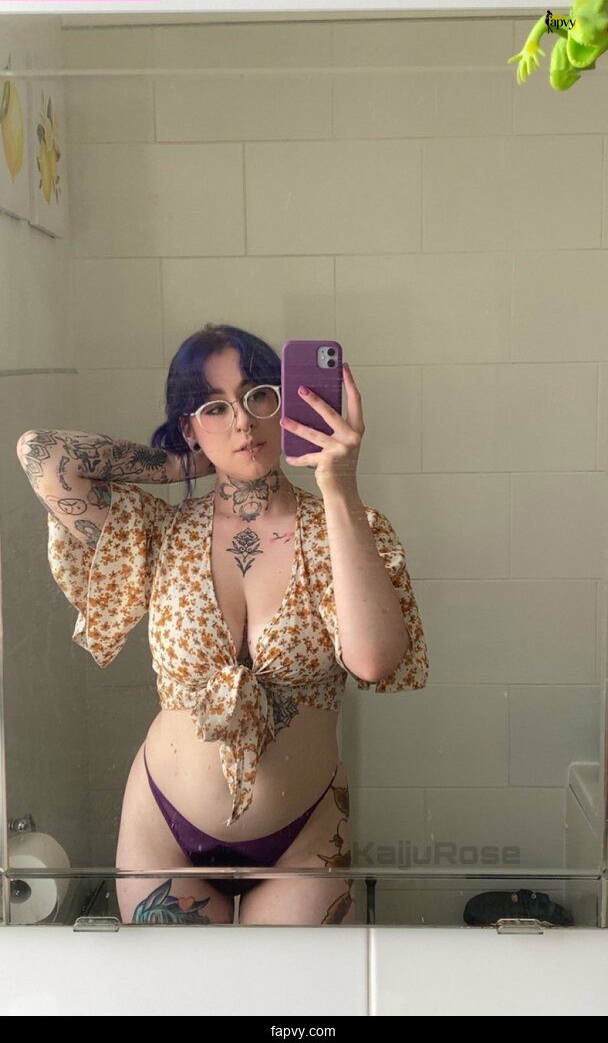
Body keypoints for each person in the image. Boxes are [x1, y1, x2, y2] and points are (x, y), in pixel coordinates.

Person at [19, 323, 428, 926]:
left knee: (291, 991)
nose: (243, 422)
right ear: (190, 426)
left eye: (259, 396)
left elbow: (374, 661)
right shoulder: (155, 532)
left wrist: (338, 484)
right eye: (215, 407)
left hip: (305, 833)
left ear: (285, 403)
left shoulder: (343, 529)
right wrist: (188, 459)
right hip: (165, 827)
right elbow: (42, 454)